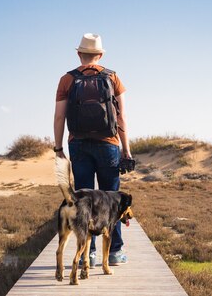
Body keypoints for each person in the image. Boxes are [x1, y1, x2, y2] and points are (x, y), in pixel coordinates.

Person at [53, 33, 132, 267]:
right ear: (99, 55)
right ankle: (115, 252)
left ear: (79, 54)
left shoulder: (67, 80)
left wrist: (58, 148)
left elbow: (59, 117)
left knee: (84, 202)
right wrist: (126, 150)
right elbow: (122, 117)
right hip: (109, 145)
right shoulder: (113, 77)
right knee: (113, 201)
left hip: (78, 144)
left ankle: (90, 253)